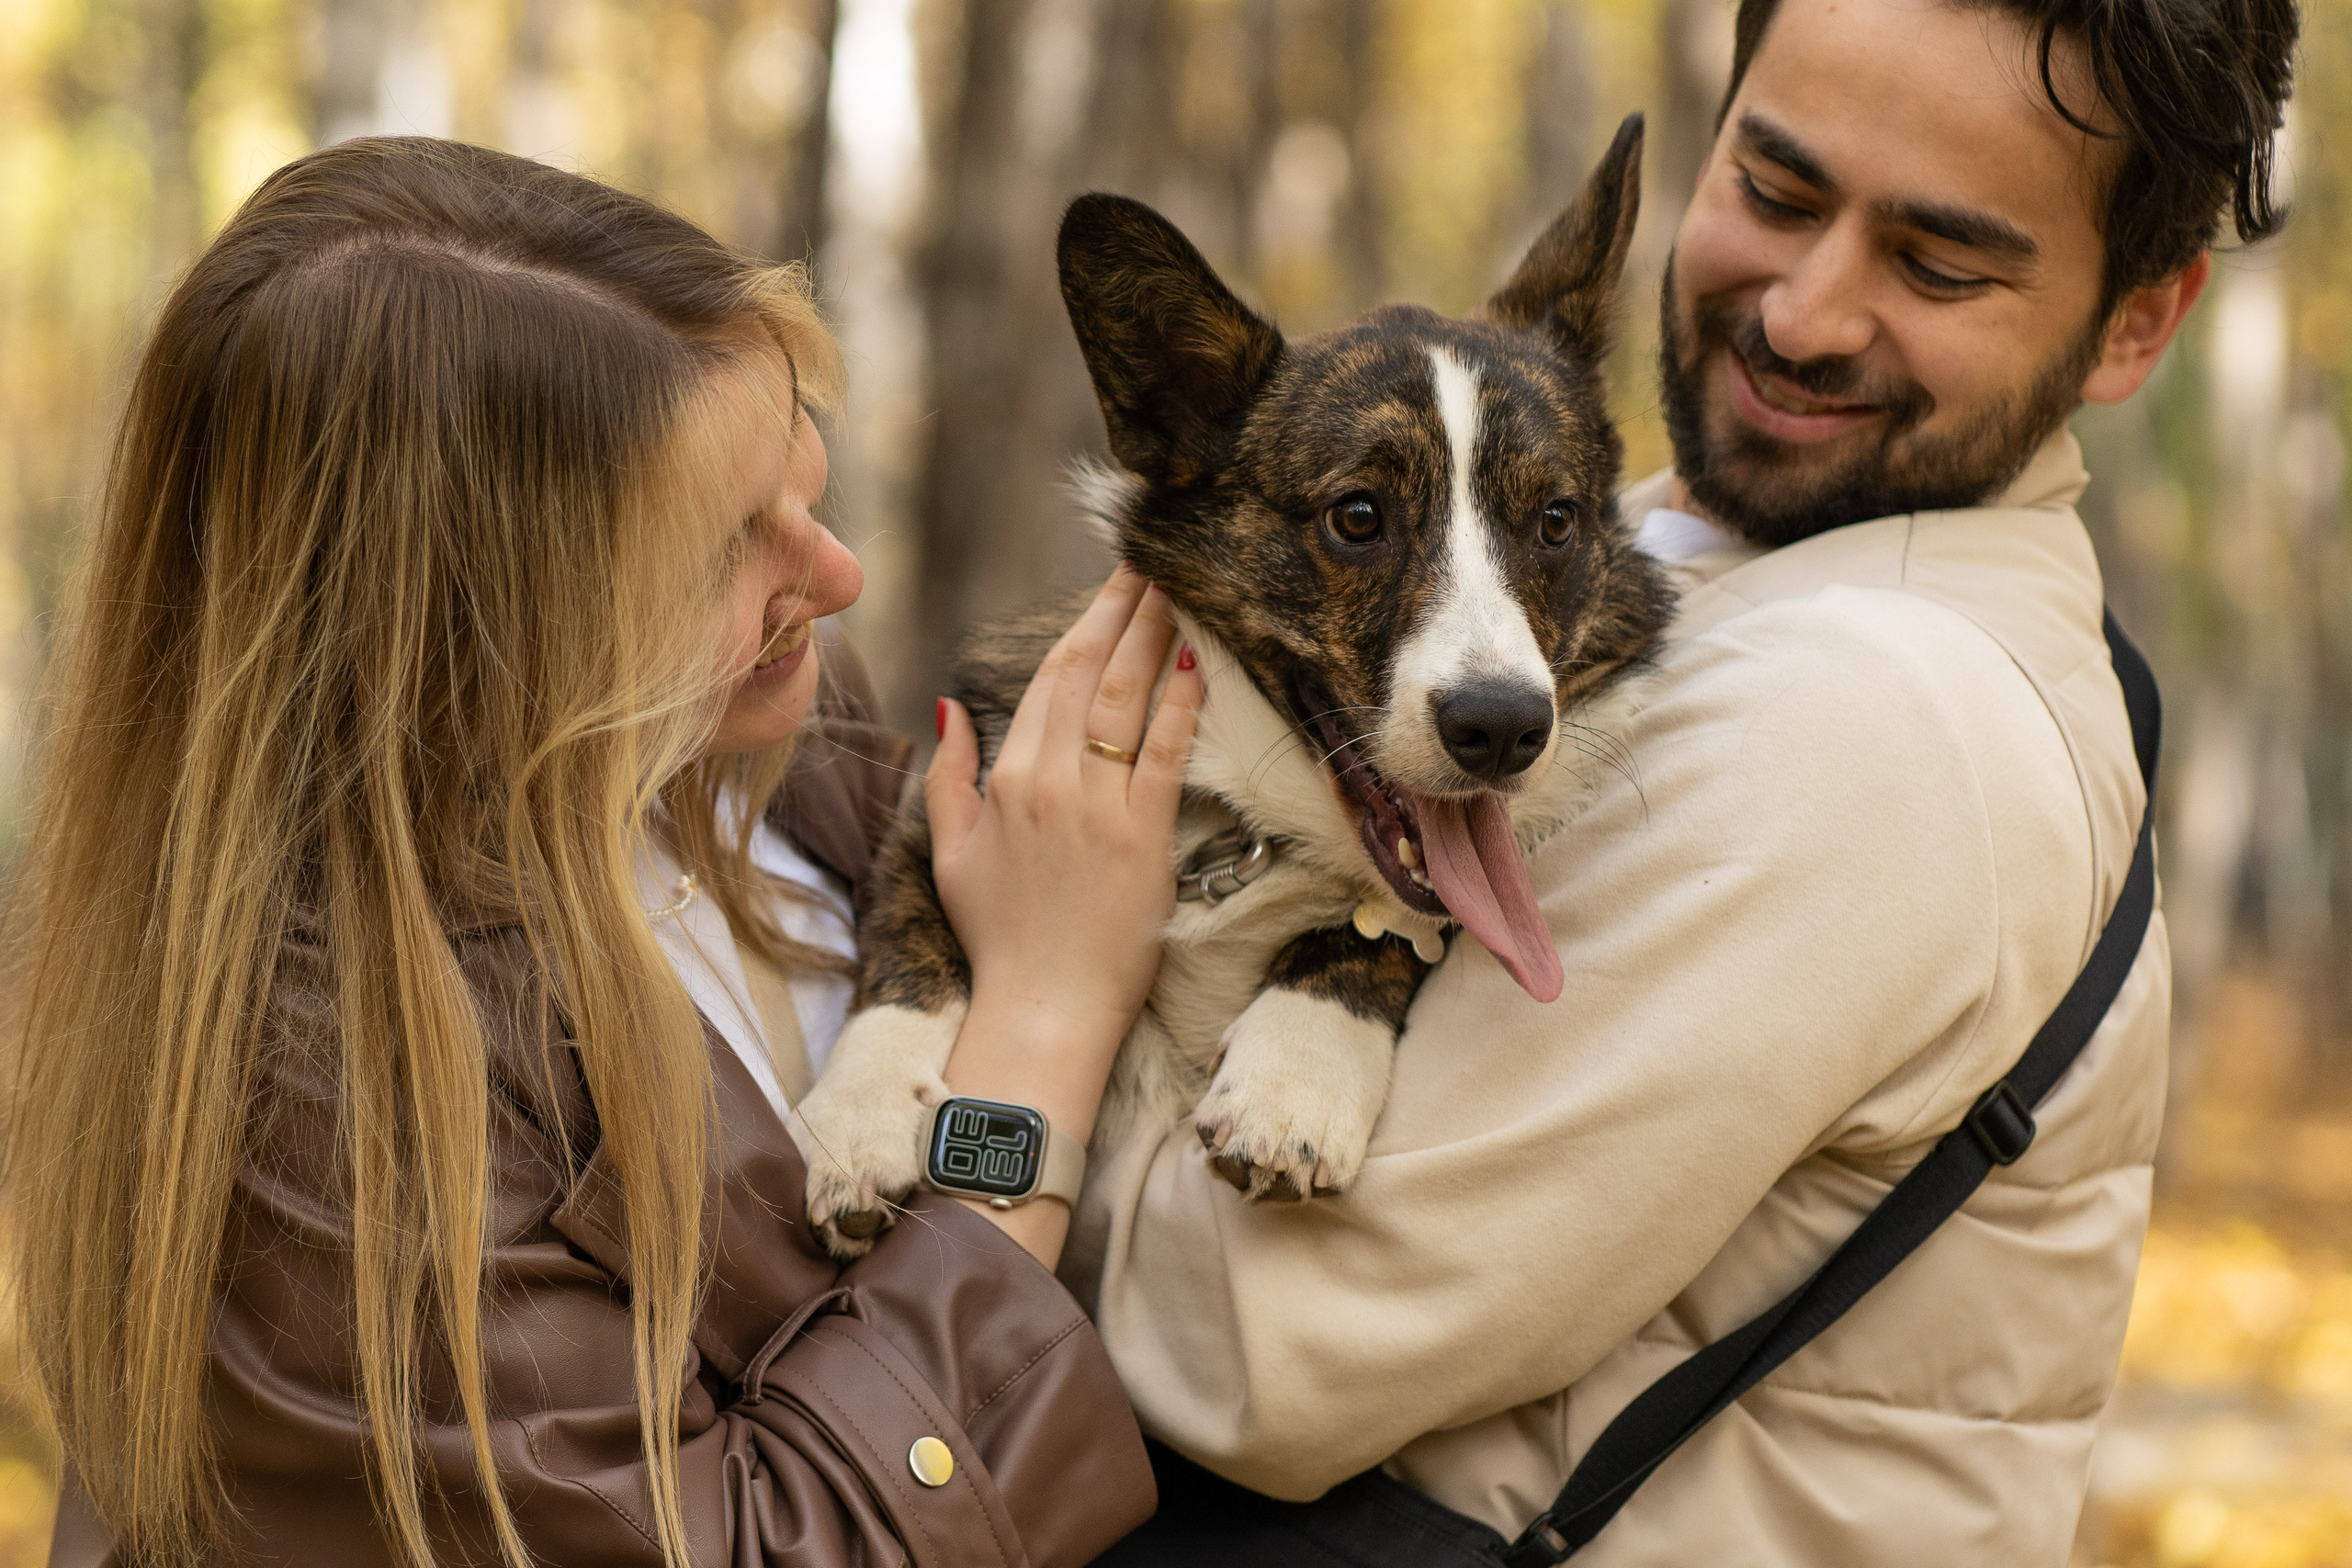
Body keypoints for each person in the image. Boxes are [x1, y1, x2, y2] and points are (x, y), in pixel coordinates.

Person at [1079, 0, 2296, 1559]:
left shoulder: (1869, 718)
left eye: (1937, 264)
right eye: (1775, 193)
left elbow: (1243, 1352)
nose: (1802, 314)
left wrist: (1026, 1047)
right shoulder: (1677, 568)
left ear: (2136, 321)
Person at [5, 137, 1203, 1567]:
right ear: (464, 645)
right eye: (723, 560)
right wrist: (1042, 1028)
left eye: (801, 486)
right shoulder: (322, 1102)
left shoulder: (762, 750)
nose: (837, 578)